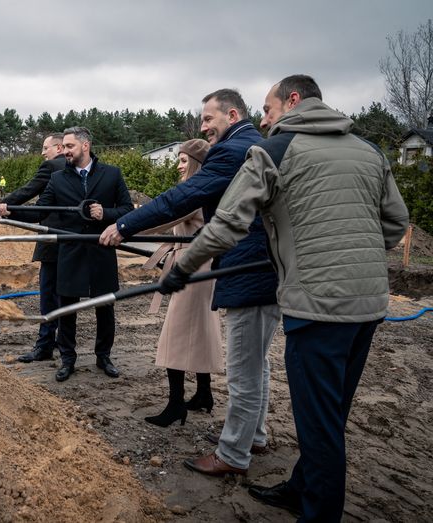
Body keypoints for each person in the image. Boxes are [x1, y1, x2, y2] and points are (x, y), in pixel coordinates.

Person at [161, 75, 409, 521]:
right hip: (370, 305)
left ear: (293, 101)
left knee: (319, 426)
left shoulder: (275, 150)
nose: (264, 118)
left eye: (269, 109)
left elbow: (226, 225)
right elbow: (394, 225)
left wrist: (181, 267)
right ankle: (302, 485)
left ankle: (318, 511)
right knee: (330, 413)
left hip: (317, 307)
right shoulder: (369, 150)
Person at [100, 89, 279, 475]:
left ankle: (233, 453)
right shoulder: (255, 145)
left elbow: (184, 201)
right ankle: (255, 435)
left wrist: (125, 224)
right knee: (256, 364)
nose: (204, 127)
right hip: (256, 270)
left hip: (237, 270)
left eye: (208, 119)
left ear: (232, 114)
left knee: (245, 369)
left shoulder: (233, 152)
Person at [1, 126, 133, 382]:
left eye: (70, 146)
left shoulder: (112, 175)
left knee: (105, 307)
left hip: (101, 251)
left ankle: (103, 356)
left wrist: (105, 213)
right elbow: (41, 211)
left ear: (86, 146)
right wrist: (11, 211)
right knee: (67, 307)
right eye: (64, 147)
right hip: (70, 252)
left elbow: (127, 208)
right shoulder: (59, 178)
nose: (66, 151)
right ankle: (67, 359)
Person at [141, 138, 223, 428]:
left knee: (175, 333)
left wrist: (123, 227)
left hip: (192, 267)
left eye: (184, 160)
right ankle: (203, 393)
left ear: (197, 164)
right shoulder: (207, 189)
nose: (178, 165)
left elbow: (162, 218)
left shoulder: (196, 191)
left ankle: (176, 404)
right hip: (201, 265)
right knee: (201, 328)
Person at [0, 133, 67, 363]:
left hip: (52, 240)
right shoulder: (84, 169)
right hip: (75, 240)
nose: (43, 153)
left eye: (46, 148)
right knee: (67, 297)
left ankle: (45, 345)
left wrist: (4, 206)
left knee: (48, 295)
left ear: (60, 147)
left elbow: (29, 191)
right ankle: (64, 346)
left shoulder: (53, 166)